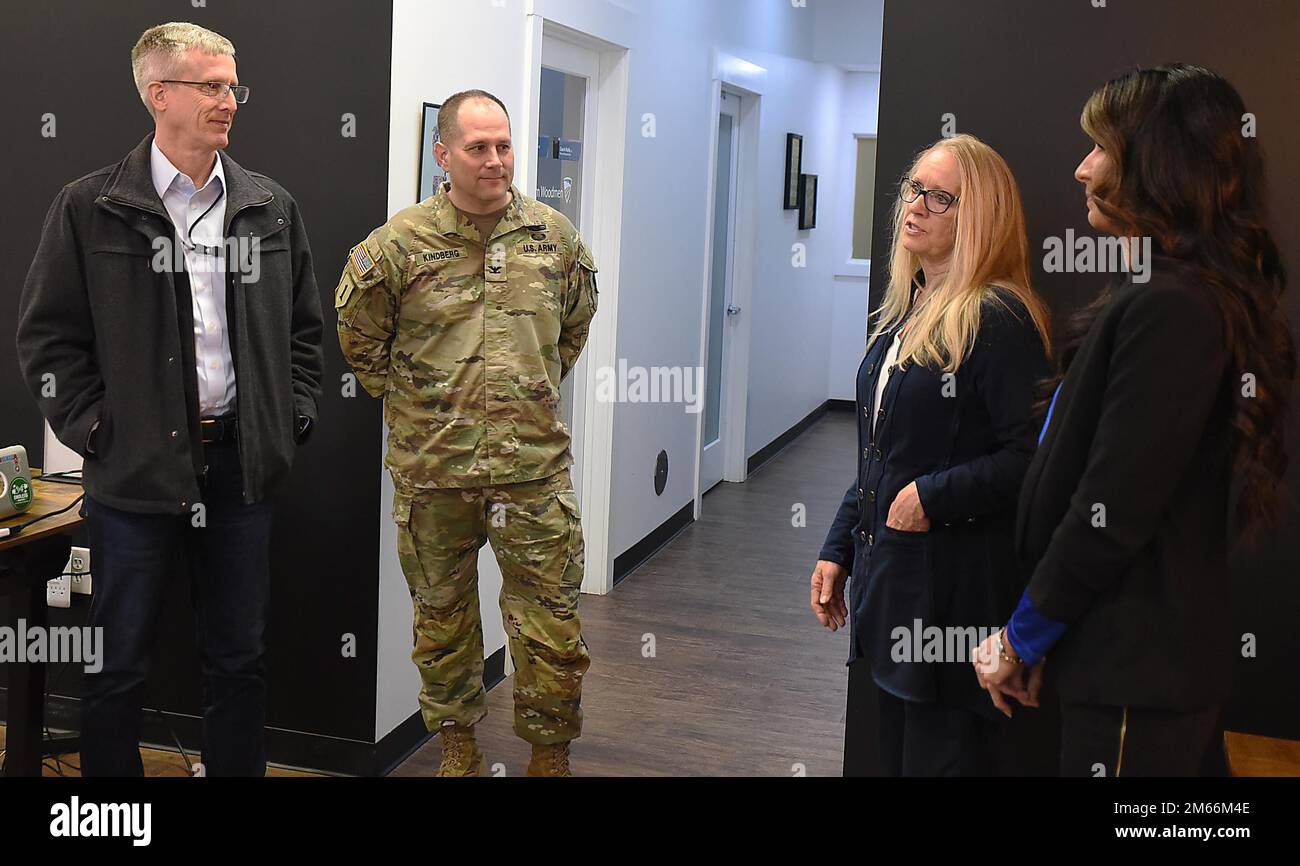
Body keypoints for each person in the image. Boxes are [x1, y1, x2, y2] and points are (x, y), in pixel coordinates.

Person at [15, 22, 324, 776]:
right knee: (116, 664)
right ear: (160, 95)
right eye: (212, 86)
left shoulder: (268, 206)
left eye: (233, 86)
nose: (229, 101)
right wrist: (97, 430)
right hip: (134, 475)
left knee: (239, 660)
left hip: (241, 469)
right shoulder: (91, 207)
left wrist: (291, 416)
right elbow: (47, 339)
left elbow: (305, 333)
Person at [974, 65, 1295, 777]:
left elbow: (1110, 510)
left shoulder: (1172, 308)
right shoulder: (1158, 294)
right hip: (1126, 665)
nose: (1083, 168)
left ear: (1156, 164)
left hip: (1137, 679)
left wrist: (1022, 638)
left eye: (1102, 150)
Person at [335, 89, 598, 777]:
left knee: (550, 625)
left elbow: (570, 331)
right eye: (478, 147)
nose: (495, 160)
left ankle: (549, 753)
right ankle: (458, 747)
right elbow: (361, 343)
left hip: (532, 474)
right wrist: (427, 407)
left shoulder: (554, 238)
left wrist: (520, 398)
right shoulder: (398, 246)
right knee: (442, 621)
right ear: (443, 153)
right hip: (434, 477)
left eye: (504, 145)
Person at [811, 134, 1052, 776]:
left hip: (950, 601)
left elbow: (1032, 457)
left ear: (978, 215)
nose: (914, 206)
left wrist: (933, 497)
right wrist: (838, 547)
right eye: (912, 189)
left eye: (938, 197)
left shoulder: (998, 318)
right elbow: (880, 457)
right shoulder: (907, 309)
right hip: (889, 586)